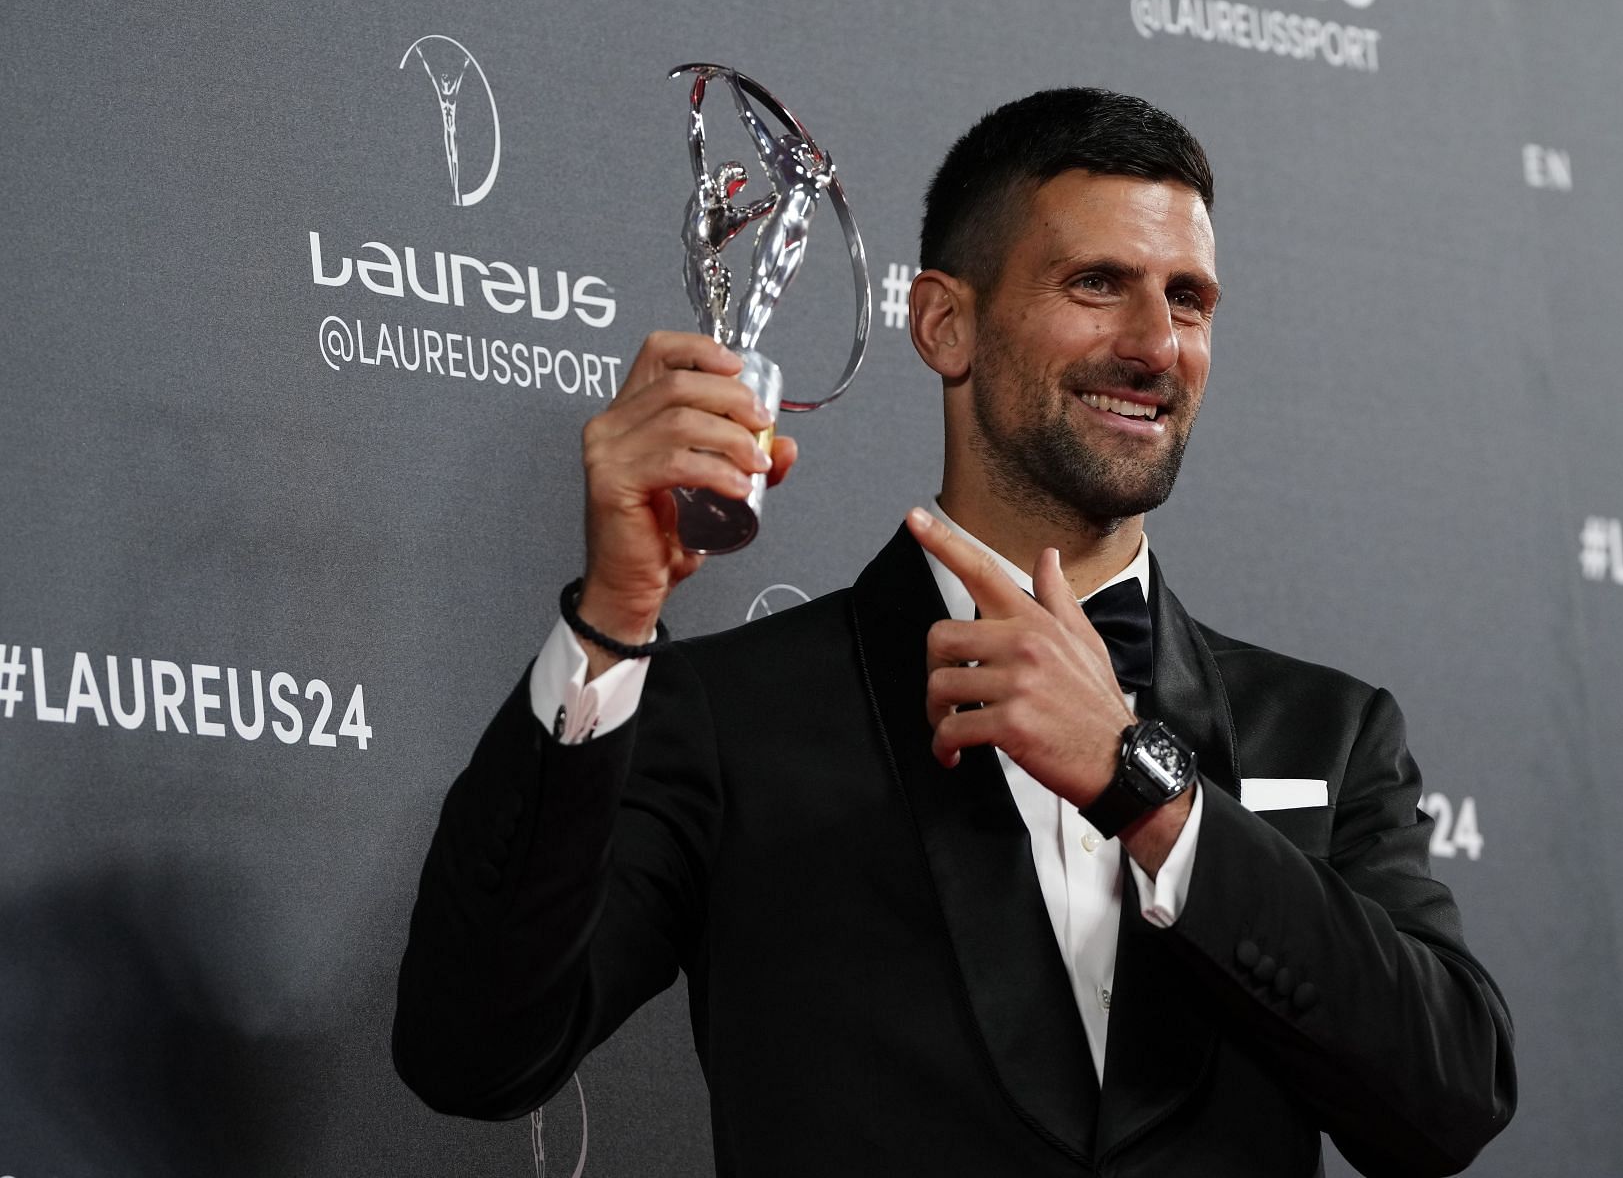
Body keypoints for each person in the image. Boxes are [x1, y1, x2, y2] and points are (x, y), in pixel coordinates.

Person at [393, 88, 1517, 1176]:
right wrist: (612, 619)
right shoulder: (732, 716)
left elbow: (1447, 1103)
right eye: (1097, 283)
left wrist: (1151, 791)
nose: (1157, 343)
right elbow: (474, 1050)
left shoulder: (1326, 730)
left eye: (1189, 300)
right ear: (944, 322)